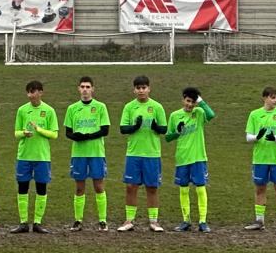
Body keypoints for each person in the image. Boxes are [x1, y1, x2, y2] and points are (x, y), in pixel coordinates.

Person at [118, 76, 168, 232]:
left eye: (144, 87)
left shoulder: (157, 107)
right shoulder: (129, 107)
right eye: (138, 88)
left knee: (152, 187)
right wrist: (135, 126)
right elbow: (123, 129)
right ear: (134, 90)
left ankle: (154, 221)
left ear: (149, 89)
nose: (141, 90)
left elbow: (164, 129)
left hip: (152, 154)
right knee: (131, 187)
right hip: (134, 153)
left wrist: (155, 127)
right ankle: (129, 221)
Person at [64, 77, 112, 232]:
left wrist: (88, 136)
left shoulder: (100, 107)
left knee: (99, 186)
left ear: (93, 89)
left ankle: (103, 220)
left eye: (88, 87)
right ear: (78, 88)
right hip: (78, 154)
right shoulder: (72, 108)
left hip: (96, 153)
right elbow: (68, 132)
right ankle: (78, 220)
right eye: (82, 87)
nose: (85, 89)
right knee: (79, 188)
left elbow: (105, 130)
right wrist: (76, 137)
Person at [245, 87, 276, 232]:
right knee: (260, 188)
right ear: (264, 98)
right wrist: (257, 137)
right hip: (260, 159)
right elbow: (248, 137)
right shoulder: (254, 115)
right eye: (273, 97)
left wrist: (275, 138)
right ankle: (259, 221)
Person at [12, 80, 59, 234]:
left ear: (41, 92)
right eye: (29, 92)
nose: (31, 95)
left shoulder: (49, 111)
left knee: (41, 188)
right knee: (23, 188)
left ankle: (38, 222)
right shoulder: (22, 110)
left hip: (42, 157)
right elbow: (16, 133)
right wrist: (23, 133)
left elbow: (54, 134)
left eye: (34, 92)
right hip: (24, 156)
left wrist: (39, 129)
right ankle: (23, 222)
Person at [169, 86, 216, 233]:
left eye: (193, 102)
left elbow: (212, 114)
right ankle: (186, 221)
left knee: (200, 189)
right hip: (182, 158)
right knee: (184, 190)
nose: (190, 104)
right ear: (183, 99)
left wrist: (200, 100)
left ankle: (203, 221)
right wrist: (178, 131)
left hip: (198, 158)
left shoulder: (200, 112)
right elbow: (168, 137)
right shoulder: (175, 116)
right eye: (188, 101)